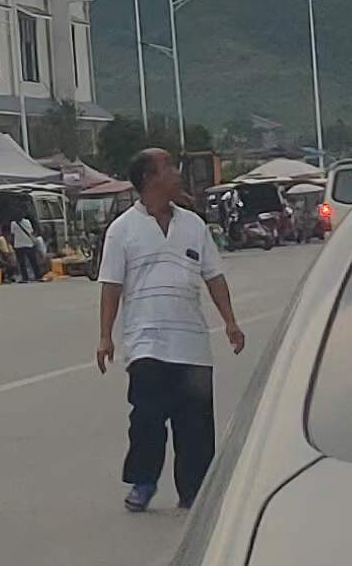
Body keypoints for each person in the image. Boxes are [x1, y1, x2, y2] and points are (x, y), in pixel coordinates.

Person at [95, 148, 243, 512]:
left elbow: (214, 276)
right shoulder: (122, 230)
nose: (176, 173)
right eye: (168, 168)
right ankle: (143, 481)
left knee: (195, 423)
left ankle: (194, 490)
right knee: (146, 416)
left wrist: (230, 321)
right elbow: (111, 285)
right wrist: (105, 336)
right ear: (149, 178)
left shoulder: (193, 225)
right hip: (147, 340)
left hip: (192, 344)